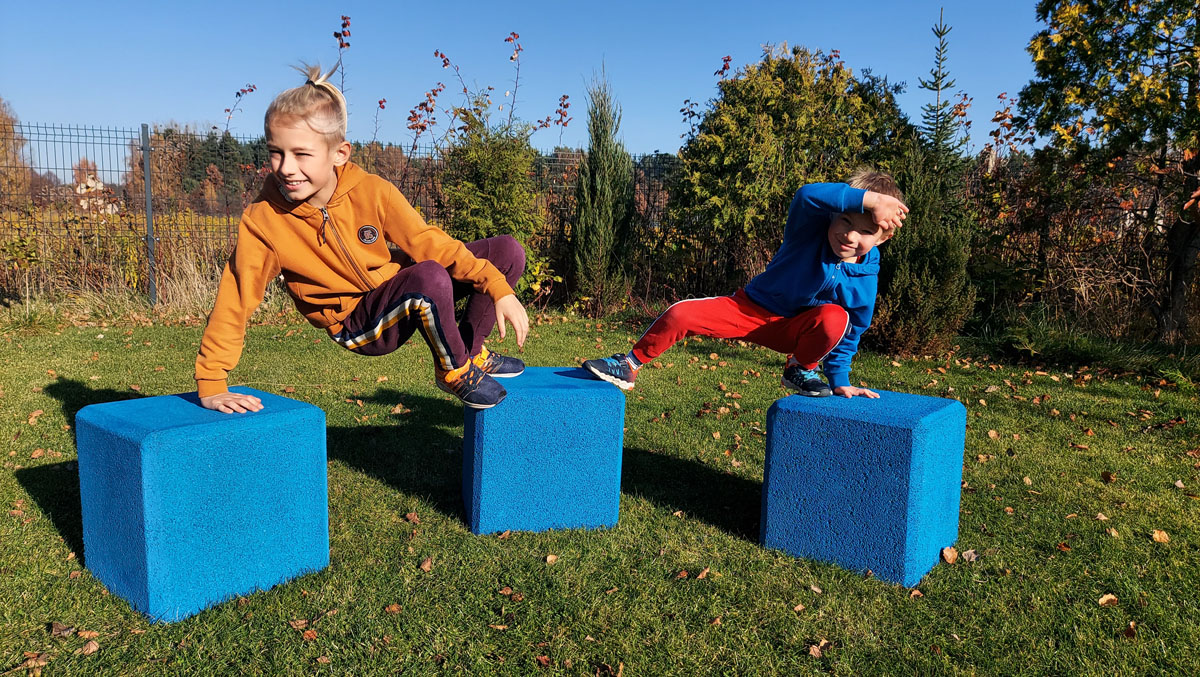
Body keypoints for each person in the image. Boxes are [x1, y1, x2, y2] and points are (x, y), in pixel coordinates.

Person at [195, 64, 528, 413]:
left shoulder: (372, 191)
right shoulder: (266, 219)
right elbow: (236, 296)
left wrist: (498, 286)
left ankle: (474, 352)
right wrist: (212, 382)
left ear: (339, 153)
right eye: (276, 152)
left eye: (301, 154)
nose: (286, 167)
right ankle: (454, 370)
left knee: (505, 252)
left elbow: (429, 241)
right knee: (429, 276)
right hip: (355, 322)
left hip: (396, 289)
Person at [584, 170, 907, 399]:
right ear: (832, 215)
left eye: (865, 231)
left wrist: (839, 379)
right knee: (681, 314)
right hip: (749, 309)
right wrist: (869, 200)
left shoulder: (866, 275)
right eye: (846, 221)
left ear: (884, 237)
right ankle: (628, 365)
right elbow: (806, 195)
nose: (850, 235)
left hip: (795, 330)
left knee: (838, 318)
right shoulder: (807, 231)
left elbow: (852, 332)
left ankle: (800, 368)